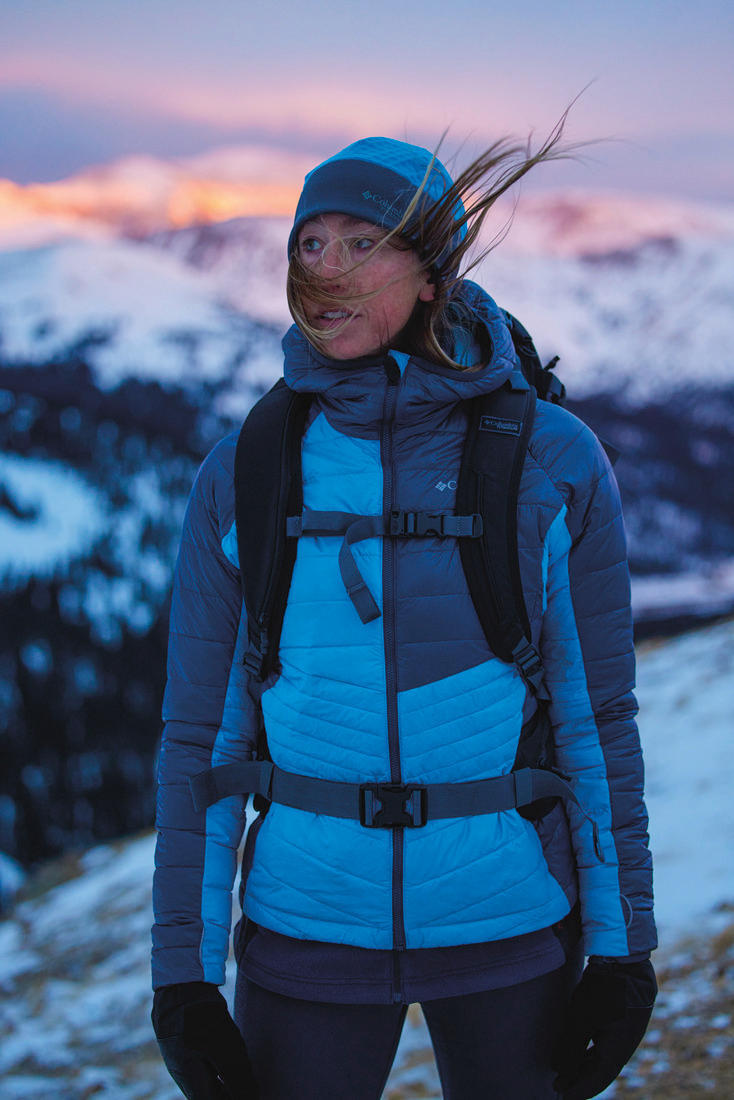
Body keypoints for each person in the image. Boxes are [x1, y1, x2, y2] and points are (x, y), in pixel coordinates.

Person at [151, 126, 658, 1100]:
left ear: (431, 273)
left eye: (361, 243)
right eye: (310, 243)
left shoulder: (548, 460)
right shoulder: (246, 471)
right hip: (305, 930)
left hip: (507, 926)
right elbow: (197, 743)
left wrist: (622, 948)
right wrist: (181, 977)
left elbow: (598, 723)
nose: (326, 271)